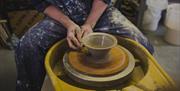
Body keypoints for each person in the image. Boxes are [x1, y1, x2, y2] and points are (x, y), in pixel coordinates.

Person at [15, 0, 154, 91]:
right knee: (27, 46)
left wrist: (89, 24)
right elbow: (40, 3)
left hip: (99, 12)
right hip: (62, 16)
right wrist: (68, 24)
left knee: (143, 46)